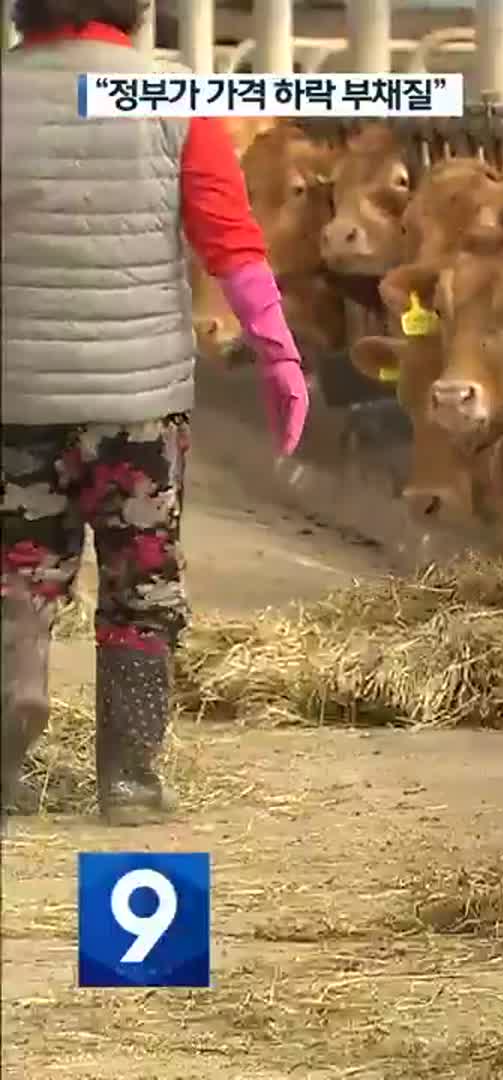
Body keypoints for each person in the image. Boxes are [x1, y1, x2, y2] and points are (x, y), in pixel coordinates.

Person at [2, 0, 309, 824]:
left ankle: (18, 694)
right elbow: (230, 242)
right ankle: (129, 777)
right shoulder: (170, 99)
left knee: (20, 564)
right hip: (138, 405)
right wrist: (280, 354)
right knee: (141, 581)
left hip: (14, 395)